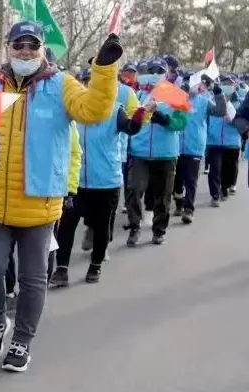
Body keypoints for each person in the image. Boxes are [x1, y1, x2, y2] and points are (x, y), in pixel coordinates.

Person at [0, 22, 121, 373]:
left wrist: (103, 69)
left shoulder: (61, 85)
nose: (25, 51)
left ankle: (22, 341)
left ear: (42, 48)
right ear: (8, 47)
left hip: (40, 204)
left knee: (33, 279)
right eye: (18, 45)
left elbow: (94, 110)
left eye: (32, 45)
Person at [51, 94, 146, 285]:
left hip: (105, 181)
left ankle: (95, 265)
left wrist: (140, 114)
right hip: (75, 181)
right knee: (66, 225)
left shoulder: (114, 110)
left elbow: (131, 128)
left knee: (101, 225)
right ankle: (61, 269)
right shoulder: (76, 108)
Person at [125, 58, 187, 246]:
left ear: (167, 73)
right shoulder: (135, 93)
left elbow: (181, 123)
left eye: (159, 71)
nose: (155, 74)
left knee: (163, 195)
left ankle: (159, 230)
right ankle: (134, 227)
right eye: (151, 70)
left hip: (166, 154)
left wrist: (162, 118)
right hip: (140, 152)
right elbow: (126, 117)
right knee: (133, 189)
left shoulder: (177, 95)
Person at [174, 74, 226, 220]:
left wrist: (218, 92)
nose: (195, 86)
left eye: (198, 84)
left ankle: (188, 209)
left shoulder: (204, 101)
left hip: (194, 146)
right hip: (175, 147)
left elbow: (221, 111)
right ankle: (178, 202)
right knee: (176, 180)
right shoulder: (176, 100)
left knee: (191, 180)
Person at [205, 74, 242, 205]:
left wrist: (233, 121)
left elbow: (244, 122)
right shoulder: (212, 99)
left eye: (229, 83)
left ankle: (225, 187)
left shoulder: (240, 102)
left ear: (235, 86)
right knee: (215, 169)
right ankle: (215, 195)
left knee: (228, 170)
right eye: (224, 83)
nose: (226, 86)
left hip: (232, 142)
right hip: (213, 141)